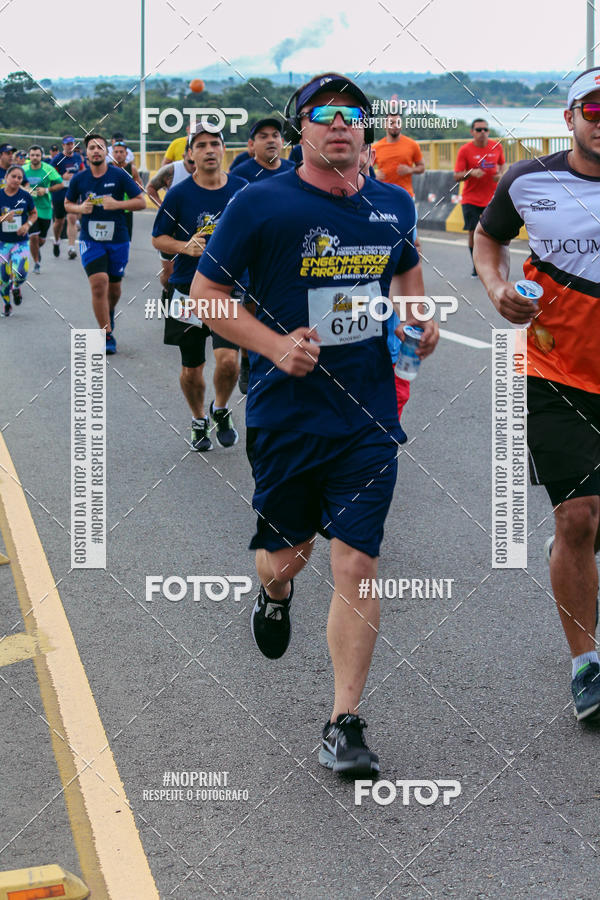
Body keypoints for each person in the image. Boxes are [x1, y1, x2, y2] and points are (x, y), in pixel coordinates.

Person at [191, 72, 439, 776]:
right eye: (323, 115)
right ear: (299, 128)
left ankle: (343, 721)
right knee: (286, 557)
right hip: (285, 411)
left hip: (367, 411)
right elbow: (207, 296)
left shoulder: (391, 202)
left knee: (358, 561)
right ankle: (273, 594)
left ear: (366, 127)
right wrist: (274, 347)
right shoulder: (260, 203)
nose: (340, 125)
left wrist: (419, 325)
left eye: (353, 115)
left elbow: (407, 280)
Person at [474, 66, 600, 722]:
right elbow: (488, 238)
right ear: (570, 116)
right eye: (594, 106)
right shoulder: (529, 179)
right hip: (560, 375)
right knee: (576, 518)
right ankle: (587, 665)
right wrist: (496, 289)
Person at [152, 124, 247, 451]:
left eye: (215, 144)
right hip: (186, 291)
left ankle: (220, 409)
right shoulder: (179, 194)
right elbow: (157, 238)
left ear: (223, 150)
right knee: (192, 369)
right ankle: (197, 419)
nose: (209, 150)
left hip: (227, 291)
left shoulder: (242, 190)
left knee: (229, 362)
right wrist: (184, 246)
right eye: (201, 145)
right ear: (189, 154)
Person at [64, 133, 145, 353]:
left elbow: (141, 202)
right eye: (92, 147)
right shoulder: (80, 179)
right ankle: (106, 334)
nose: (96, 150)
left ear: (106, 152)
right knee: (99, 283)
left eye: (100, 147)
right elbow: (68, 204)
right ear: (86, 153)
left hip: (118, 239)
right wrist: (81, 209)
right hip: (91, 240)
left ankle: (108, 313)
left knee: (115, 288)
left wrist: (117, 204)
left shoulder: (119, 175)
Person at [455, 119, 506, 276]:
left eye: (485, 129)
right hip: (471, 199)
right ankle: (476, 265)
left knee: (496, 233)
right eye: (478, 130)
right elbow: (457, 175)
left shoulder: (496, 146)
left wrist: (501, 174)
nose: (482, 132)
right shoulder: (465, 150)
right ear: (472, 132)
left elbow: (502, 165)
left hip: (492, 199)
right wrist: (471, 173)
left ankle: (496, 264)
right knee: (473, 232)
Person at [147, 146, 196, 297]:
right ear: (185, 154)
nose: (194, 166)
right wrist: (162, 207)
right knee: (169, 277)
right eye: (190, 162)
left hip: (196, 232)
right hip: (172, 232)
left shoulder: (211, 173)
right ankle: (167, 292)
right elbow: (150, 188)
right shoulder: (171, 171)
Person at [0, 166, 36, 315]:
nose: (16, 180)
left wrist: (28, 225)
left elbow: (33, 213)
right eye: (13, 176)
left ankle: (16, 287)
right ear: (6, 177)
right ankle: (7, 304)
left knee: (21, 272)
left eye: (19, 178)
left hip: (20, 242)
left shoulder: (25, 196)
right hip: (2, 243)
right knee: (3, 277)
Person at [22, 145, 64, 272]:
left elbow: (60, 184)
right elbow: (16, 184)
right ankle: (36, 263)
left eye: (37, 155)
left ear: (42, 156)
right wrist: (25, 190)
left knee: (41, 239)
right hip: (30, 209)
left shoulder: (48, 169)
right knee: (33, 237)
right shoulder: (23, 169)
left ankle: (36, 248)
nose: (35, 157)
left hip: (45, 208)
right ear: (29, 156)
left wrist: (46, 190)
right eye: (32, 155)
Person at [373, 114, 425, 197]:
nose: (395, 125)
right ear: (385, 125)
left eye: (398, 122)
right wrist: (374, 176)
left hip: (406, 195)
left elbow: (422, 167)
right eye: (391, 122)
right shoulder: (376, 148)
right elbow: (364, 170)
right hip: (383, 196)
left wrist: (410, 170)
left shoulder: (412, 145)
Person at [50, 136, 84, 259]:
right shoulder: (57, 159)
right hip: (59, 194)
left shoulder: (77, 157)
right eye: (67, 144)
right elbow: (51, 176)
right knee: (59, 222)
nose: (70, 146)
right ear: (63, 146)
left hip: (73, 193)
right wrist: (61, 177)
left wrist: (78, 177)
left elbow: (82, 170)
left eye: (72, 144)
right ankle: (57, 240)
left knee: (72, 219)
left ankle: (71, 248)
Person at [108, 140, 143, 240]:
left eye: (121, 152)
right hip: (110, 208)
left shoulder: (131, 169)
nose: (118, 154)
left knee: (126, 239)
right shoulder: (107, 167)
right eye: (116, 152)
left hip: (126, 209)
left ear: (126, 154)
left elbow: (139, 187)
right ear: (112, 153)